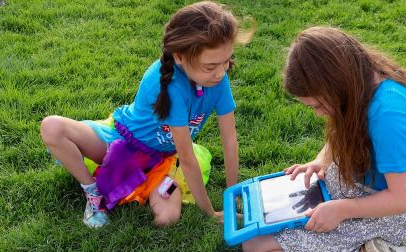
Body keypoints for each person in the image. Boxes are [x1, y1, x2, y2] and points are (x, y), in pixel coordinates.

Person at [242, 27, 406, 252]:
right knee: (265, 223)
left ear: (336, 84)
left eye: (317, 104)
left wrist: (341, 210)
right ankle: (374, 249)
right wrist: (319, 161)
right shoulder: (365, 83)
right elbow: (341, 137)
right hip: (355, 190)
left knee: (256, 247)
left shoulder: (390, 118)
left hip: (382, 211)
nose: (317, 113)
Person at [41, 1, 251, 228]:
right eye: (210, 66)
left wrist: (231, 197)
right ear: (180, 57)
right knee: (52, 127)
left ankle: (139, 183)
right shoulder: (169, 86)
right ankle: (94, 194)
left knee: (167, 219)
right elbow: (188, 158)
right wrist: (209, 212)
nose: (221, 73)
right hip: (121, 143)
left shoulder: (218, 79)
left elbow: (229, 141)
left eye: (226, 62)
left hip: (164, 160)